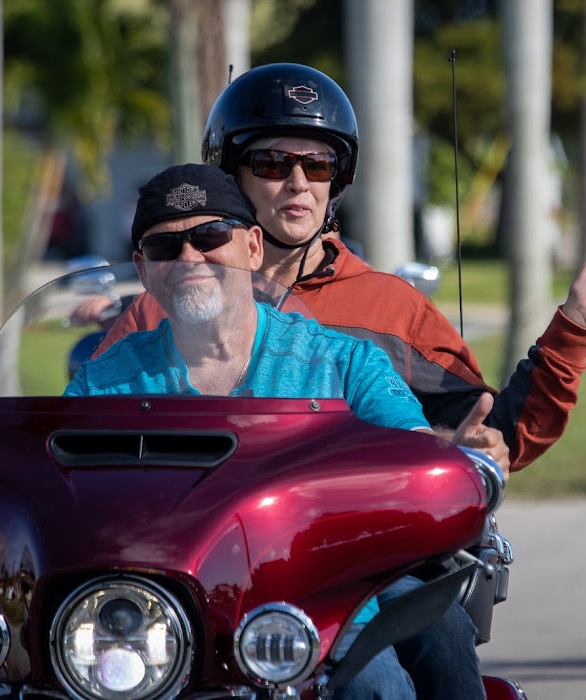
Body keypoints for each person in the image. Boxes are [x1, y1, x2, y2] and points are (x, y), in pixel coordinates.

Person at [75, 63, 586, 700]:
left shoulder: (388, 311)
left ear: (339, 180)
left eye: (319, 165)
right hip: (190, 572)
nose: (298, 183)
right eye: (273, 163)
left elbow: (489, 436)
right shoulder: (162, 308)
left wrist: (573, 330)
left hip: (352, 559)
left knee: (429, 641)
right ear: (231, 174)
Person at [68, 163, 506, 699]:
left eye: (210, 237)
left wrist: (449, 456)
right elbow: (59, 486)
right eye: (164, 247)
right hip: (162, 615)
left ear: (253, 247)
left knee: (375, 686)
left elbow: (409, 450)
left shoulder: (345, 361)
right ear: (143, 269)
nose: (189, 258)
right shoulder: (102, 384)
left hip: (320, 600)